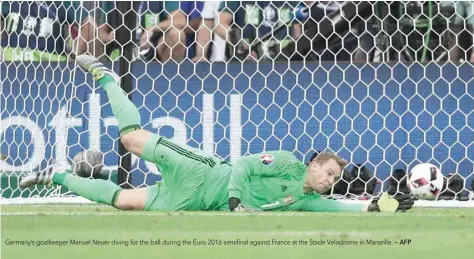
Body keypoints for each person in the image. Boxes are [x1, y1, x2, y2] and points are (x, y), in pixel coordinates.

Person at [20, 54, 415, 213]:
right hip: (206, 174)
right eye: (328, 171)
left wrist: (378, 206)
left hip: (192, 202)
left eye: (334, 179)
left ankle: (55, 175)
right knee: (130, 139)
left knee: (123, 201)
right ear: (313, 163)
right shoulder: (287, 164)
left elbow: (342, 209)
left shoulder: (303, 202)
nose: (330, 180)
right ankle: (106, 76)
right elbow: (241, 165)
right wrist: (234, 199)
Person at [0, 1, 111, 61]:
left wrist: (73, 57)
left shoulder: (62, 2)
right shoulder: (7, 3)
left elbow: (89, 23)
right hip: (10, 67)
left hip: (49, 70)